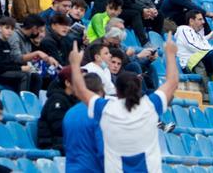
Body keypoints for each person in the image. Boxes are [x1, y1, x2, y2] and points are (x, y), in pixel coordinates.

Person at [67, 35, 179, 172]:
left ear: (117, 90)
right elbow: (172, 83)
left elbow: (80, 90)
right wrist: (170, 54)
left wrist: (74, 64)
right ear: (139, 88)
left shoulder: (106, 108)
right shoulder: (149, 106)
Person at [0, 16, 41, 92]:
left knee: (34, 76)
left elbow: (9, 62)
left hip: (2, 71)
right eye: (7, 28)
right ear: (0, 28)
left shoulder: (6, 44)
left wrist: (22, 67)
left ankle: (31, 98)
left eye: (12, 29)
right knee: (24, 76)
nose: (9, 31)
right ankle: (21, 98)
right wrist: (20, 68)